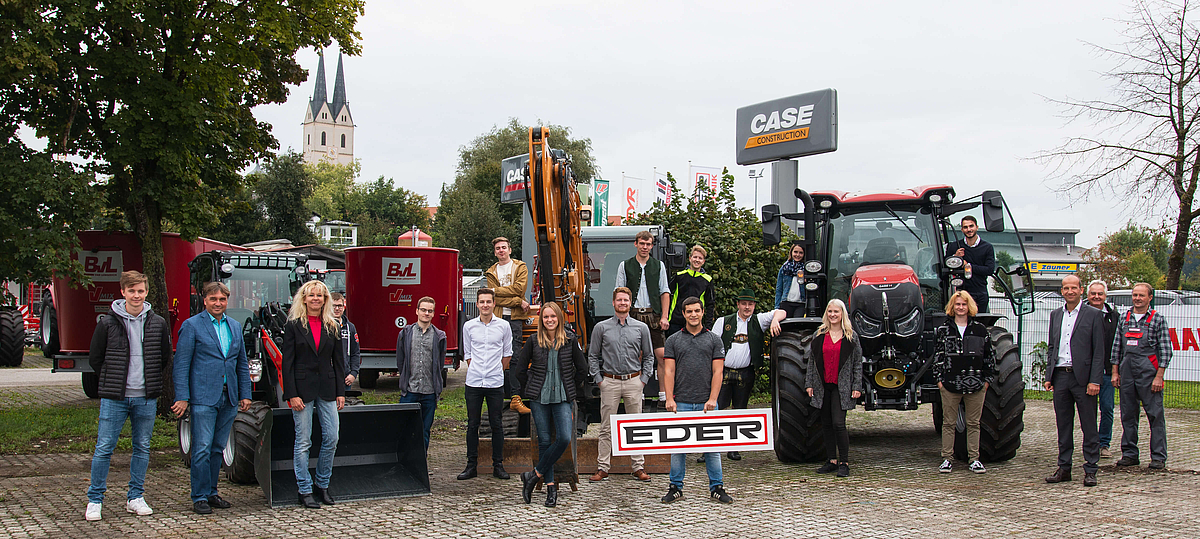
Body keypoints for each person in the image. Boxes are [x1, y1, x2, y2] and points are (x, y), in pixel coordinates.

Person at [85, 271, 172, 521]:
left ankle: (135, 497)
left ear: (146, 293)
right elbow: (96, 359)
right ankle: (95, 500)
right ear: (122, 292)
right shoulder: (107, 323)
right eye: (131, 291)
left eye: (141, 291)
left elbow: (164, 357)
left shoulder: (157, 323)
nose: (136, 295)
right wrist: (113, 380)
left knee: (142, 447)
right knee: (104, 448)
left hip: (145, 397)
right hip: (115, 398)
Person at [171, 281, 252, 515]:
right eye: (213, 299)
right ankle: (199, 496)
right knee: (202, 448)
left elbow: (240, 364)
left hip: (228, 397)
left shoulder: (235, 326)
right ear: (204, 300)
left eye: (222, 299)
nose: (218, 303)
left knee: (218, 448)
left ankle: (212, 492)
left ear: (228, 301)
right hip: (203, 397)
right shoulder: (192, 326)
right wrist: (183, 397)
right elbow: (182, 364)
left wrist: (245, 393)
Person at [515, 302, 589, 507]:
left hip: (563, 398)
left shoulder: (570, 340)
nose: (549, 320)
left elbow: (582, 368)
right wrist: (530, 387)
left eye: (553, 317)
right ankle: (550, 489)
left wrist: (571, 387)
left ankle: (532, 475)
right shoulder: (533, 340)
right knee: (544, 441)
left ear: (559, 319)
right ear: (541, 320)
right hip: (539, 398)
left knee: (564, 437)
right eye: (546, 317)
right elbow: (520, 369)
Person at [660, 297, 733, 504]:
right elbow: (669, 371)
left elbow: (718, 371)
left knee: (712, 447)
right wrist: (669, 398)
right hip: (680, 402)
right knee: (677, 448)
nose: (693, 314)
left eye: (697, 311)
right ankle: (675, 487)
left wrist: (712, 399)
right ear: (683, 314)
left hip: (706, 404)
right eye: (689, 311)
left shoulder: (714, 340)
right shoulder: (673, 340)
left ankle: (717, 487)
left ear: (703, 313)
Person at [281, 280, 346, 509]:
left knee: (332, 437)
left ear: (325, 299)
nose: (316, 299)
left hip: (327, 388)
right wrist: (291, 393)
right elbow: (286, 363)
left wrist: (341, 391)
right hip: (301, 390)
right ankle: (304, 489)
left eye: (320, 295)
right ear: (304, 298)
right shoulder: (294, 325)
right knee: (303, 442)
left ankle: (322, 484)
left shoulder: (333, 325)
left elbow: (338, 362)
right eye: (312, 295)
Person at [1043, 275, 1106, 486]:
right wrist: (1049, 376)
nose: (1069, 291)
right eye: (1065, 288)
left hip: (1084, 378)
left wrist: (1095, 380)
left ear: (1081, 290)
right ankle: (1064, 467)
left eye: (1073, 288)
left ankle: (1090, 469)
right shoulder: (1055, 315)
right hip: (1061, 376)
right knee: (1063, 424)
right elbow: (1052, 347)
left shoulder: (1094, 315)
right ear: (1062, 291)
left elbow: (1099, 351)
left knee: (1089, 425)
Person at [588, 287, 654, 483]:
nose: (622, 303)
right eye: (619, 300)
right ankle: (603, 467)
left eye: (626, 300)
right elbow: (592, 356)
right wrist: (599, 380)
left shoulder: (641, 328)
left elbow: (649, 356)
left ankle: (638, 466)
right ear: (613, 302)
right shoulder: (602, 327)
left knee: (635, 426)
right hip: (610, 382)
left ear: (630, 303)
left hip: (634, 381)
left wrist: (643, 380)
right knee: (606, 427)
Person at [711, 288, 784, 460]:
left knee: (740, 410)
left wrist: (774, 322)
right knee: (717, 409)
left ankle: (733, 447)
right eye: (744, 303)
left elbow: (782, 311)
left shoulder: (759, 320)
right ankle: (711, 449)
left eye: (750, 304)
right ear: (738, 304)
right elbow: (711, 345)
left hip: (746, 372)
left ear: (754, 305)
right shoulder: (723, 321)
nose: (747, 307)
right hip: (723, 371)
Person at [932, 291, 997, 475]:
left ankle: (974, 459)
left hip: (976, 385)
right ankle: (947, 458)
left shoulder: (980, 330)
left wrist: (986, 380)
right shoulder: (944, 330)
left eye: (964, 304)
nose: (961, 308)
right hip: (950, 385)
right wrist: (940, 381)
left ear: (970, 307)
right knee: (949, 423)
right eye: (958, 304)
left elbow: (988, 357)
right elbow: (938, 357)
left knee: (974, 423)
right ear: (952, 307)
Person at [1112, 282, 1172, 470]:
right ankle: (1129, 454)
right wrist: (1115, 372)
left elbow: (1165, 351)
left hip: (1149, 375)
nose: (1137, 298)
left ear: (1150, 298)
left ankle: (1158, 457)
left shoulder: (1157, 319)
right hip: (1127, 373)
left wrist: (1159, 377)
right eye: (1135, 295)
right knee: (1128, 416)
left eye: (1141, 295)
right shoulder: (1124, 318)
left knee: (1155, 415)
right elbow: (1116, 348)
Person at [458, 288, 513, 480]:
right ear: (477, 304)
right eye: (482, 302)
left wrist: (496, 370)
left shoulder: (504, 326)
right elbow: (468, 353)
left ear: (494, 304)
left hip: (495, 382)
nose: (485, 305)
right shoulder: (469, 326)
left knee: (496, 424)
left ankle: (498, 465)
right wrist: (477, 369)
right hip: (473, 382)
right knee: (472, 424)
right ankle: (471, 465)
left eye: (488, 301)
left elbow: (507, 353)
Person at [804, 299, 863, 478]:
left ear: (842, 313)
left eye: (836, 312)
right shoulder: (819, 334)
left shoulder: (851, 337)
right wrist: (809, 383)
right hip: (823, 385)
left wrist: (856, 386)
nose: (833, 315)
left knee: (838, 423)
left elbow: (857, 364)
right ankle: (832, 460)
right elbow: (812, 362)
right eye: (830, 311)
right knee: (826, 424)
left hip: (842, 386)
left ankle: (844, 462)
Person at [614, 230, 670, 400]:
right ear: (636, 244)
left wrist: (664, 316)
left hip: (653, 315)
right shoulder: (625, 265)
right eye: (642, 243)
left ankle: (662, 394)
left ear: (652, 246)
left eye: (648, 244)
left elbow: (665, 292)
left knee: (661, 355)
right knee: (635, 355)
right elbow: (619, 292)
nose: (645, 247)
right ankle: (639, 393)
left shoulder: (658, 265)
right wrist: (621, 317)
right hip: (633, 314)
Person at [485, 236, 532, 415]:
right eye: (498, 248)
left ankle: (515, 397)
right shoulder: (491, 272)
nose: (501, 250)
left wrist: (496, 291)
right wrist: (518, 301)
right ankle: (495, 394)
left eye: (504, 247)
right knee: (496, 356)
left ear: (510, 250)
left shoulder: (520, 267)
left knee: (514, 356)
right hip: (497, 318)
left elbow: (519, 289)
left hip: (514, 319)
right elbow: (494, 299)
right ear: (495, 252)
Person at [396, 296, 446, 450]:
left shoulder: (439, 336)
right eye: (423, 310)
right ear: (416, 311)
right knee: (405, 429)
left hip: (429, 393)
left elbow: (440, 363)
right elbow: (400, 359)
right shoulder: (406, 333)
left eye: (430, 311)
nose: (426, 313)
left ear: (433, 313)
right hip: (409, 391)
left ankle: (421, 466)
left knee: (424, 431)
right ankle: (405, 464)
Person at [1085, 280, 1118, 459]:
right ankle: (1090, 443)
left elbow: (1117, 345)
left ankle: (1104, 443)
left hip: (1106, 371)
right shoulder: (1080, 314)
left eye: (1100, 294)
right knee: (1087, 410)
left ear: (1105, 296)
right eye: (1093, 293)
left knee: (1107, 408)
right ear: (1088, 295)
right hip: (1084, 372)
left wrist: (1115, 370)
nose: (1096, 297)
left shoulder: (1114, 317)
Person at [944, 216, 995, 313]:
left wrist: (968, 266)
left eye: (971, 226)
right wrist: (956, 257)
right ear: (962, 229)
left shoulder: (987, 247)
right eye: (966, 227)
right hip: (961, 292)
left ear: (977, 227)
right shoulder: (954, 246)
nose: (969, 230)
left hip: (980, 291)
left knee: (979, 323)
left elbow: (989, 270)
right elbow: (945, 266)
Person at [667, 245, 715, 336]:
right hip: (676, 321)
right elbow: (666, 294)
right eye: (695, 257)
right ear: (690, 258)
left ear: (703, 261)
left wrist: (708, 326)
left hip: (695, 322)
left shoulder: (707, 280)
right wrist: (665, 317)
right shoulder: (679, 275)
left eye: (700, 258)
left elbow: (710, 304)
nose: (697, 260)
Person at [330, 293, 361, 392]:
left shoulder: (350, 327)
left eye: (339, 305)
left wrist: (354, 373)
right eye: (333, 306)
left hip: (345, 378)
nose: (337, 309)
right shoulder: (323, 326)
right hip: (328, 377)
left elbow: (355, 352)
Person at [775, 242, 806, 317]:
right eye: (795, 252)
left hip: (800, 303)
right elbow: (779, 288)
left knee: (797, 324)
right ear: (791, 252)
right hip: (786, 302)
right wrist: (777, 307)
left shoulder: (806, 269)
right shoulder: (785, 268)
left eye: (801, 253)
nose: (798, 255)